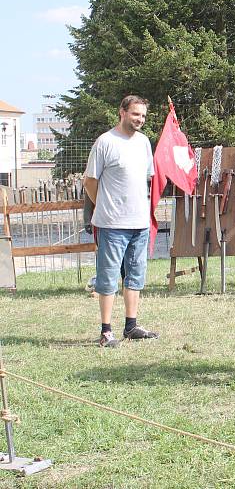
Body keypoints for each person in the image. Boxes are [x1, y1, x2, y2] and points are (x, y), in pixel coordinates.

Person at [83, 95, 159, 348]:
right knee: (108, 278)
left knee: (135, 276)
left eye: (143, 116)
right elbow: (90, 181)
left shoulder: (145, 143)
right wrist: (104, 205)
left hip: (139, 223)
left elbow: (146, 179)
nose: (140, 119)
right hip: (112, 225)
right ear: (122, 112)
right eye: (136, 114)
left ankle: (131, 326)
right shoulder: (105, 142)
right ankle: (106, 332)